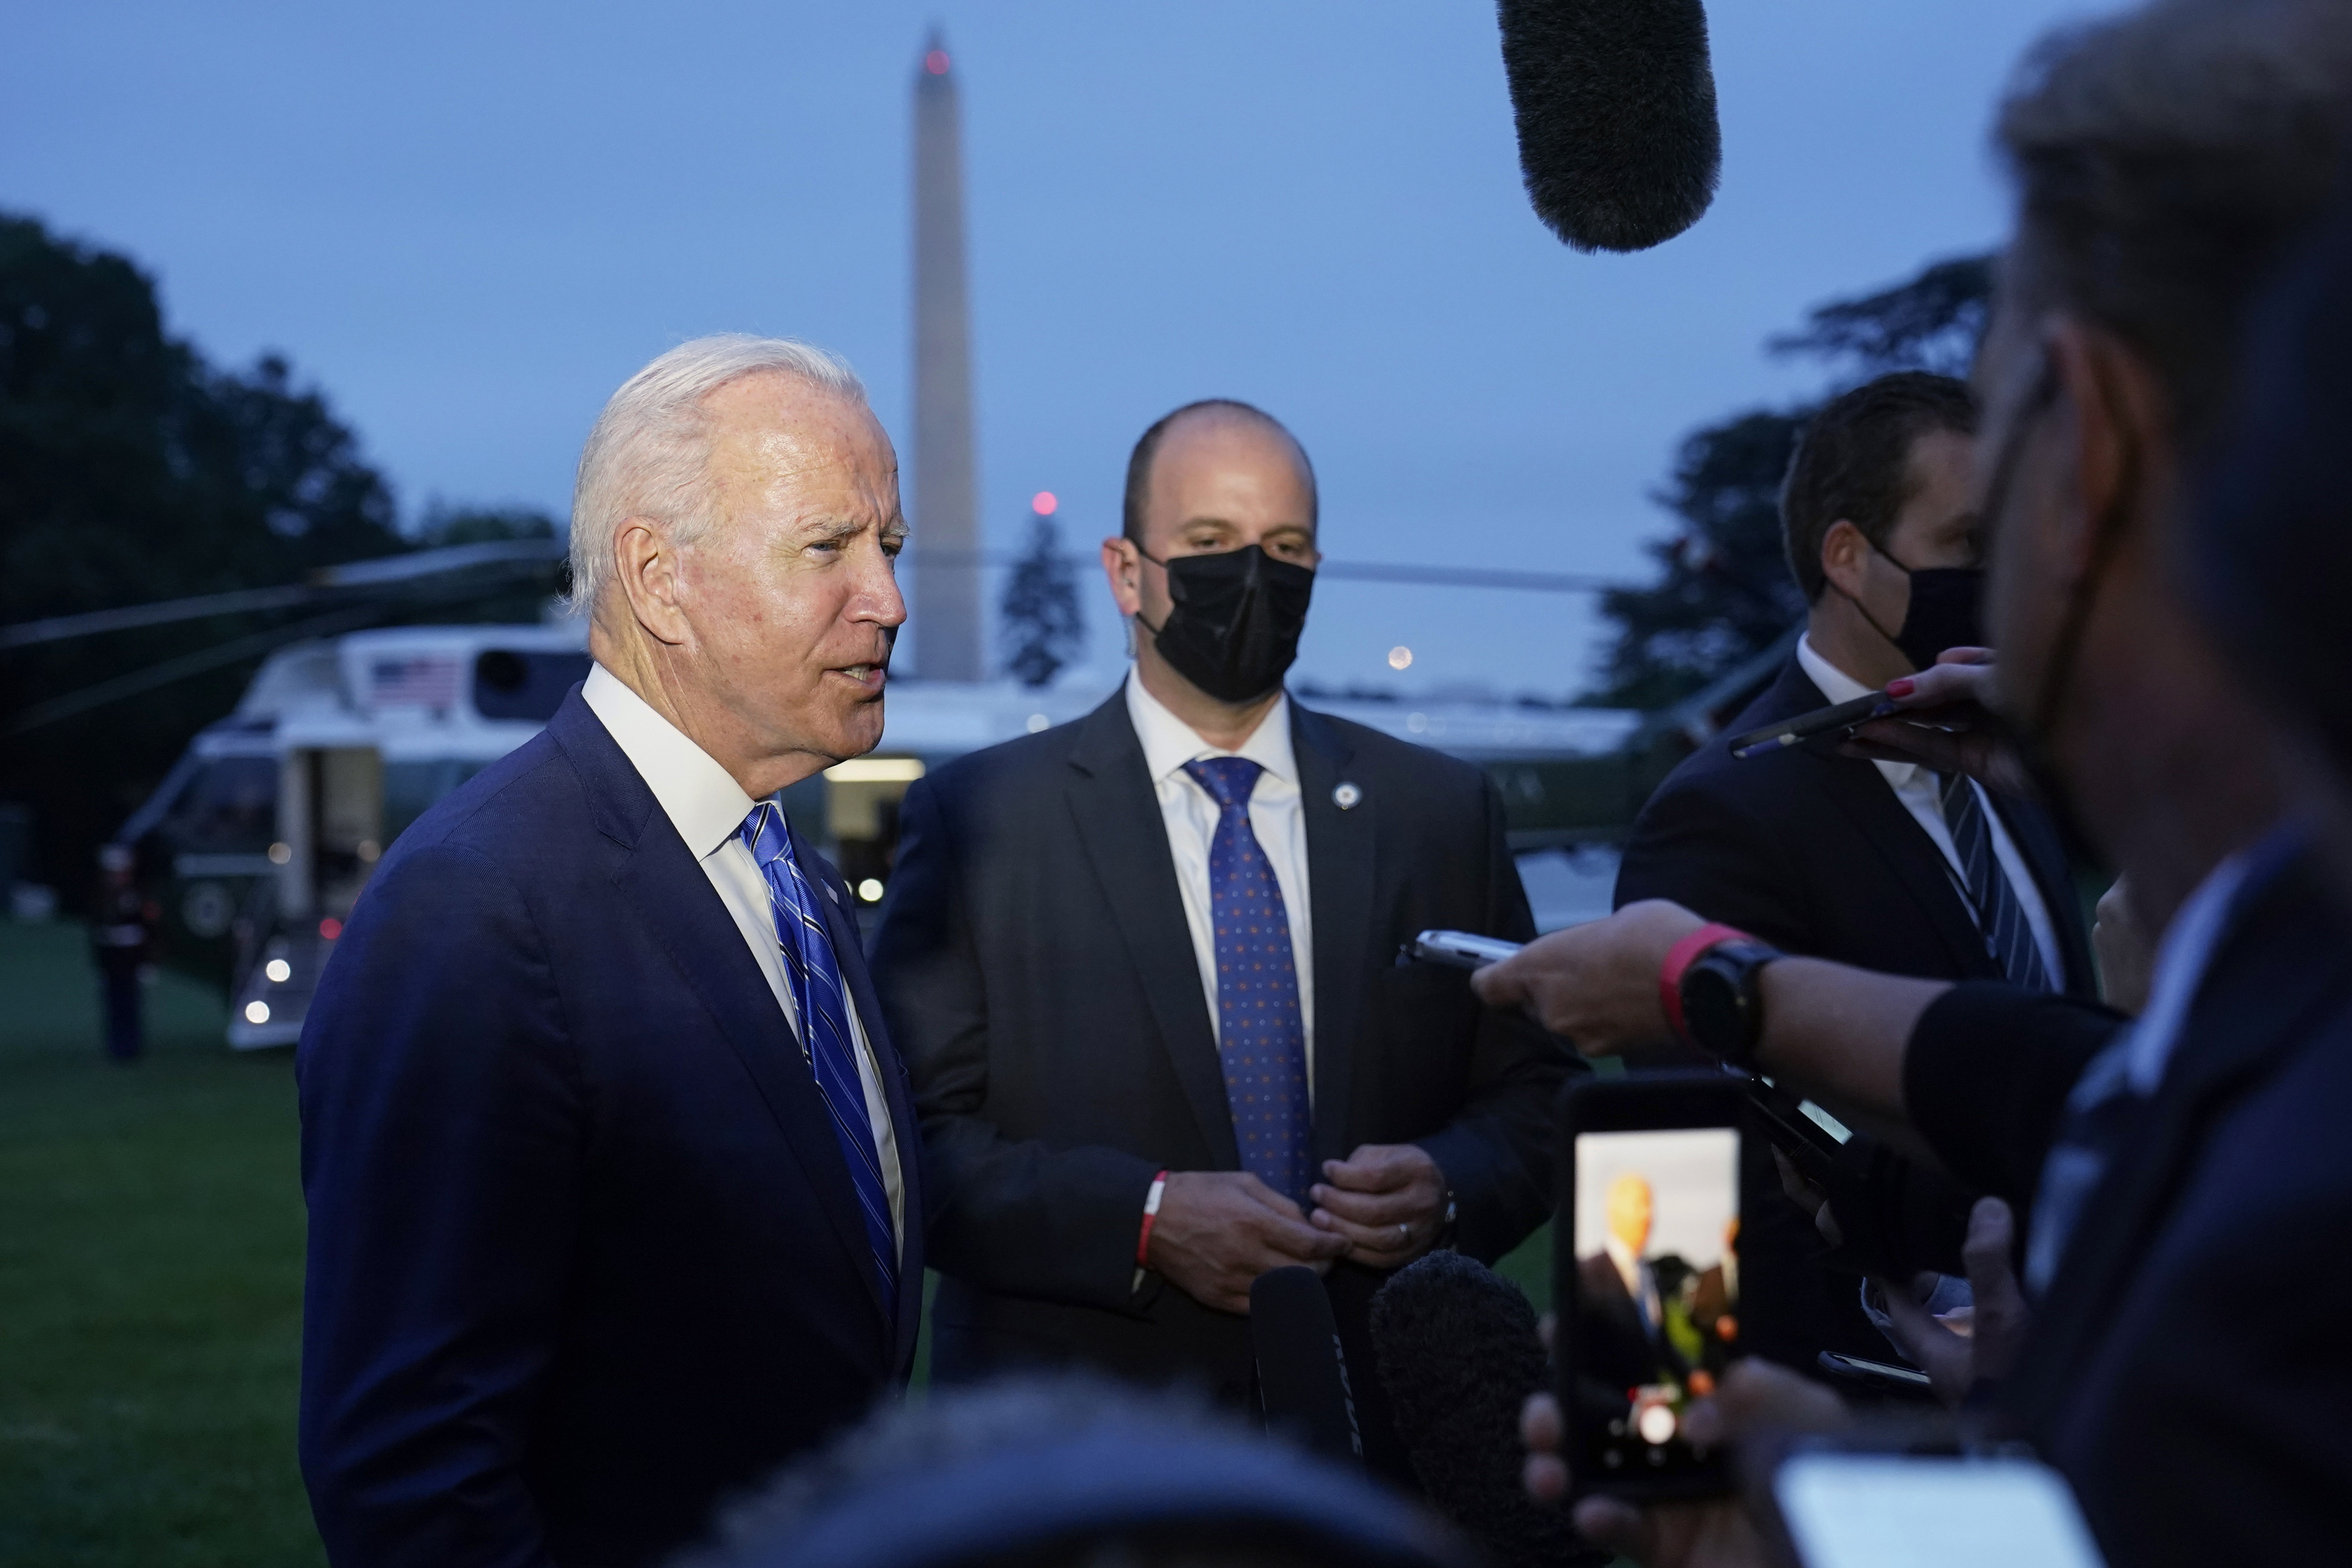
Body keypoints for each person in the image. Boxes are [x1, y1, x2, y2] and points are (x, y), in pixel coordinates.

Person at [1490, 2, 2352, 1560]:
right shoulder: (1742, 801)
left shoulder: (2272, 1236)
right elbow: (2079, 1083)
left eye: (2003, 451)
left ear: (2084, 450)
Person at [297, 336, 925, 1568]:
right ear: (658, 576)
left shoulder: (784, 867)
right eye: (827, 547)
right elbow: (411, 1467)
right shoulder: (477, 908)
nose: (888, 600)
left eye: (887, 548)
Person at [872, 399, 1567, 1478]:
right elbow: (912, 1142)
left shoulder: (1437, 811)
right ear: (1125, 572)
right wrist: (1140, 1220)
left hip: (1386, 1449)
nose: (1252, 575)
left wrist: (1446, 1181)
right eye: (1206, 544)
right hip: (1077, 1459)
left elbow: (1536, 1092)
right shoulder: (978, 819)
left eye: (1284, 549)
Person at [1614, 371, 2095, 1375]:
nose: (2001, 575)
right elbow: (1687, 1193)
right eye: (1968, 543)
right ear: (1846, 556)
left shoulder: (2018, 762)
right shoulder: (1720, 813)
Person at [88, 842, 150, 1062]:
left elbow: (146, 929)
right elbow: (97, 931)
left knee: (130, 1004)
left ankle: (131, 1047)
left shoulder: (136, 895)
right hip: (111, 959)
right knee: (113, 1005)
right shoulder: (101, 897)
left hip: (130, 959)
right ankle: (116, 1047)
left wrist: (146, 963)